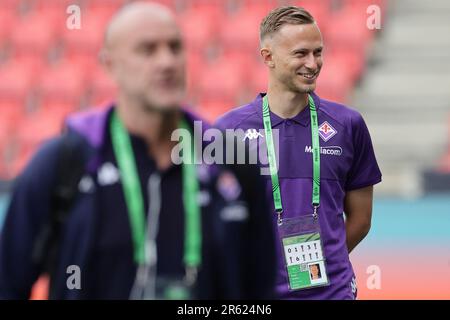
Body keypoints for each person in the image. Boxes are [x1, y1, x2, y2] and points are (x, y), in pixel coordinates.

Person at [0, 2, 276, 299]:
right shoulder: (64, 164)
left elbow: (260, 294)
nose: (166, 62)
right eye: (147, 50)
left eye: (175, 47)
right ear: (110, 64)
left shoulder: (232, 162)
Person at [216, 6, 382, 299]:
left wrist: (326, 262)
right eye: (300, 53)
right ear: (268, 57)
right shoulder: (229, 130)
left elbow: (361, 217)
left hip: (332, 293)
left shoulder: (348, 124)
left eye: (318, 52)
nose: (313, 63)